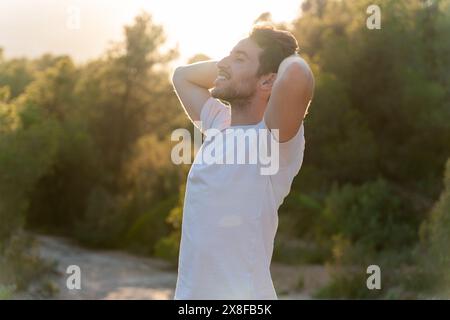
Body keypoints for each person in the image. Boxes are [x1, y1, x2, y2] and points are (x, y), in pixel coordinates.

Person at [171, 25, 314, 299]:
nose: (223, 63)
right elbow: (182, 77)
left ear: (267, 82)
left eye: (240, 58)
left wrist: (282, 57)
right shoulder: (217, 124)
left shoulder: (273, 139)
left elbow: (298, 75)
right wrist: (231, 66)